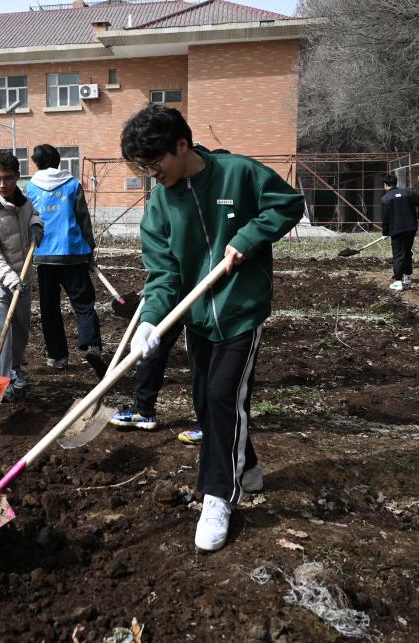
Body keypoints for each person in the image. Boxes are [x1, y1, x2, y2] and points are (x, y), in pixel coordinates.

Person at [121, 104, 304, 551]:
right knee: (206, 400)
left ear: (181, 145)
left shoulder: (237, 173)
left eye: (154, 163)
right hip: (199, 317)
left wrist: (246, 237)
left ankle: (219, 494)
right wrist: (150, 322)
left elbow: (288, 203)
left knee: (224, 395)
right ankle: (249, 465)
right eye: (142, 168)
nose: (150, 175)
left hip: (241, 310)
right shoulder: (160, 205)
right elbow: (163, 274)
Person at [24, 144, 105, 372]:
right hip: (73, 253)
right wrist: (89, 247)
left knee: (49, 308)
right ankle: (92, 346)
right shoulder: (72, 184)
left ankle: (57, 356)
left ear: (36, 163)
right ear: (58, 162)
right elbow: (83, 219)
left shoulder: (29, 187)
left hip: (44, 255)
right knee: (84, 304)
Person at [0, 150, 43, 402]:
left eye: (8, 178)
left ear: (17, 177)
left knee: (22, 330)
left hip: (22, 278)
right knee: (3, 331)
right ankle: (2, 381)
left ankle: (14, 370)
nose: (2, 184)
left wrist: (36, 224)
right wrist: (11, 280)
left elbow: (33, 214)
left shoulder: (23, 201)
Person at [380, 174, 419, 291]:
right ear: (395, 183)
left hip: (396, 230)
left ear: (385, 185)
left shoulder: (386, 199)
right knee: (407, 251)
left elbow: (385, 218)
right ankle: (407, 276)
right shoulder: (408, 193)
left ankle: (398, 281)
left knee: (398, 254)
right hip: (411, 228)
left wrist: (385, 233)